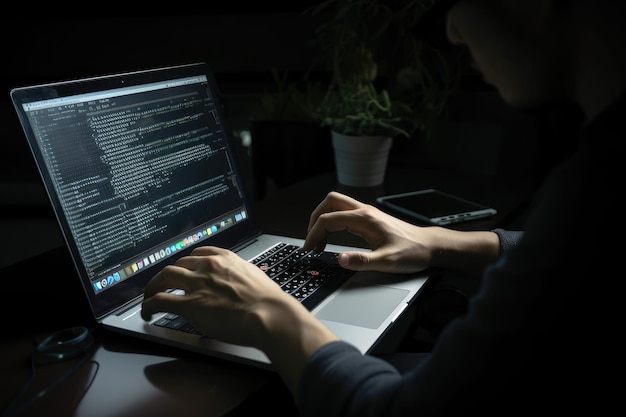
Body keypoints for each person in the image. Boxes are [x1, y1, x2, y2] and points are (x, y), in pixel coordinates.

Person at [141, 0, 622, 414]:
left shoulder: (594, 185)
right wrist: (438, 241)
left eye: (454, 3)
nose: (452, 32)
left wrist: (269, 310)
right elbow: (557, 255)